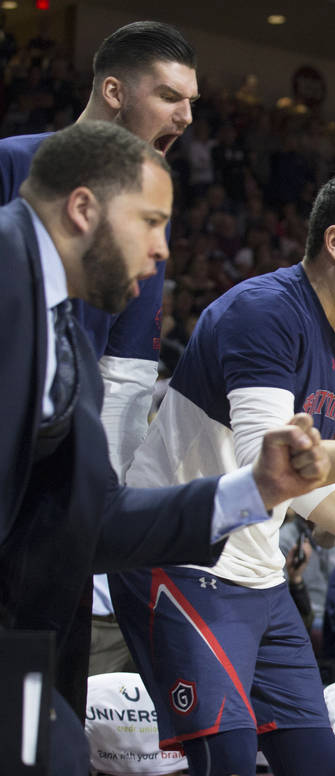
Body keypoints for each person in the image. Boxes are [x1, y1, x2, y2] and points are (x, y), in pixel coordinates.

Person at [0, 120, 329, 772]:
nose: (163, 251)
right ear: (84, 208)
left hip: (25, 647)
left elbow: (94, 523)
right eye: (150, 222)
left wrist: (255, 493)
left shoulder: (69, 336)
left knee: (57, 755)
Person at [109, 168, 335, 776]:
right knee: (228, 759)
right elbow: (266, 466)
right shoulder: (264, 311)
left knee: (321, 764)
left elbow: (304, 484)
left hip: (260, 578)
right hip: (183, 561)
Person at [0, 20, 200, 685]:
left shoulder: (151, 209)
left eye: (191, 102)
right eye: (171, 96)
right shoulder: (14, 163)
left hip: (64, 511)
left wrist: (92, 516)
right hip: (16, 480)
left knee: (52, 719)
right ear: (113, 91)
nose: (187, 116)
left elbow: (128, 377)